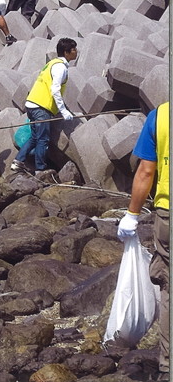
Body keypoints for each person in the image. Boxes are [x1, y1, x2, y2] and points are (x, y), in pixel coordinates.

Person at [117, 101, 169, 377]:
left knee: (169, 291)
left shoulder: (159, 115)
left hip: (168, 214)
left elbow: (146, 171)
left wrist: (132, 214)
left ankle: (169, 367)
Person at [10, 37, 78, 176]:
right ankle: (40, 169)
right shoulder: (60, 67)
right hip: (41, 107)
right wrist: (63, 111)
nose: (76, 52)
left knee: (35, 137)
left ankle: (18, 162)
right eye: (73, 49)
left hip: (31, 104)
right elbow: (55, 89)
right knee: (43, 139)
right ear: (66, 52)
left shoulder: (52, 63)